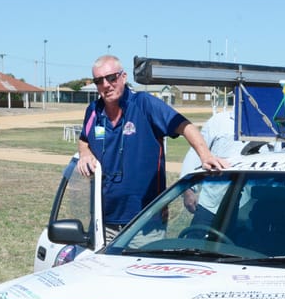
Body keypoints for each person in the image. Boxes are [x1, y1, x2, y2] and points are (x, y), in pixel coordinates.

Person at [77, 55, 226, 241]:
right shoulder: (93, 111)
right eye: (99, 81)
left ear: (123, 77)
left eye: (111, 78)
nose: (106, 85)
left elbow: (184, 126)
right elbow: (84, 139)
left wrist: (205, 156)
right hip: (102, 222)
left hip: (144, 223)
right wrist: (84, 153)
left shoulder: (144, 104)